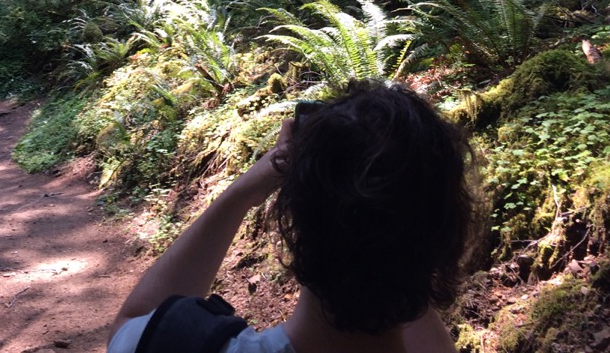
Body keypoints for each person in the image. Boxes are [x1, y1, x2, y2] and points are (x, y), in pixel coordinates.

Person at [107, 79, 477, 353]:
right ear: (445, 237)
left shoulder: (179, 344)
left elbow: (140, 319)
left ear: (292, 222)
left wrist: (243, 191)